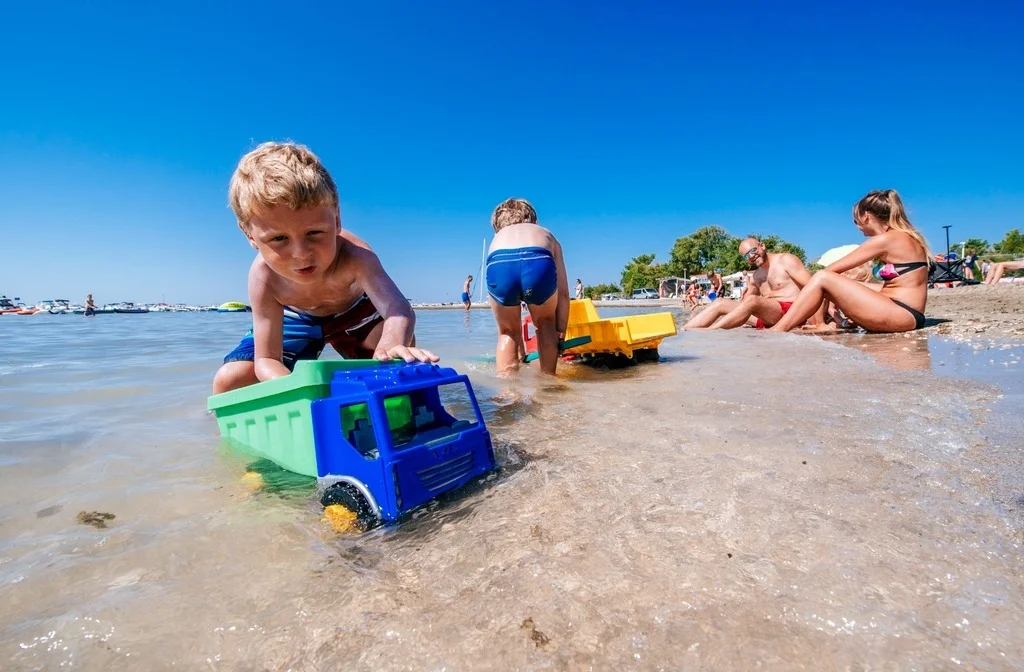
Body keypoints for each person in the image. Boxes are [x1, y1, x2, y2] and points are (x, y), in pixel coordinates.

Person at [212, 142, 437, 394]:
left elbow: (398, 309)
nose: (301, 253)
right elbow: (267, 360)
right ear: (250, 235)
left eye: (315, 232)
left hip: (353, 313)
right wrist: (298, 392)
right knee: (230, 380)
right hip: (295, 318)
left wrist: (390, 345)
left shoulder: (355, 256)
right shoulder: (264, 277)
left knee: (393, 353)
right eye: (278, 239)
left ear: (337, 219)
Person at [770, 189, 929, 334]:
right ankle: (823, 323)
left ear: (865, 216)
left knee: (822, 277)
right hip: (907, 311)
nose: (857, 227)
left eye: (855, 221)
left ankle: (779, 330)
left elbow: (832, 270)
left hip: (901, 314)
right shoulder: (906, 237)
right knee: (841, 281)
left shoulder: (886, 240)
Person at [485, 198, 569, 375]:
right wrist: (560, 331)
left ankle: (508, 393)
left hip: (500, 261)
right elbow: (563, 293)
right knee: (545, 324)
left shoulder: (498, 239)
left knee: (507, 332)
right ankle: (547, 387)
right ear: (534, 220)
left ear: (497, 227)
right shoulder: (545, 234)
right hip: (538, 258)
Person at [683, 238, 815, 330]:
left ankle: (712, 330)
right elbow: (744, 306)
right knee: (720, 303)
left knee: (752, 300)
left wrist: (819, 322)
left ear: (762, 246)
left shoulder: (785, 260)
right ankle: (684, 330)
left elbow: (815, 289)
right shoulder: (756, 277)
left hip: (790, 313)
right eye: (746, 256)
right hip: (766, 318)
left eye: (753, 250)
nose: (751, 256)